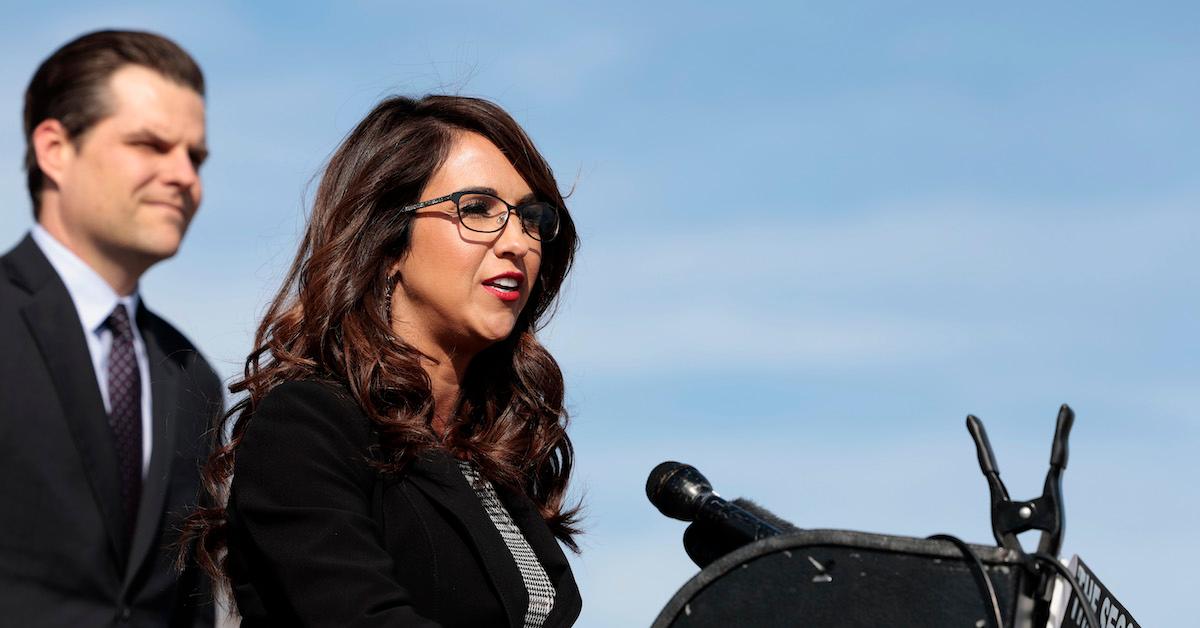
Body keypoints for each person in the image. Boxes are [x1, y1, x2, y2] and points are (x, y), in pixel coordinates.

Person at [183, 95, 583, 627]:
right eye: (478, 209)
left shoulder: (489, 452)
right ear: (389, 241)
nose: (517, 241)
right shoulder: (308, 427)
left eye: (531, 217)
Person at [0, 30, 221, 626]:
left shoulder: (190, 370)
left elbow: (192, 599)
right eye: (150, 144)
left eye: (195, 157)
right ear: (55, 149)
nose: (184, 176)